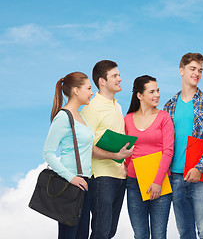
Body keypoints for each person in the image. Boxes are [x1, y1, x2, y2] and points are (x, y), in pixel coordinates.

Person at [164, 53, 203, 239]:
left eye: (200, 70)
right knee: (185, 233)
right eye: (193, 69)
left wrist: (199, 167)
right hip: (176, 177)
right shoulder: (169, 105)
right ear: (181, 70)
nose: (197, 73)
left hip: (201, 177)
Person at [80, 60, 133, 239]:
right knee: (101, 231)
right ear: (102, 81)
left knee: (109, 231)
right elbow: (85, 146)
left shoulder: (116, 105)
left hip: (119, 176)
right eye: (115, 76)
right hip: (101, 177)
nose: (120, 78)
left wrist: (123, 160)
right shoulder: (91, 108)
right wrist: (115, 155)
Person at [43, 72, 94, 239]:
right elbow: (48, 153)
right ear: (76, 91)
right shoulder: (63, 117)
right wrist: (71, 178)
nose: (91, 92)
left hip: (85, 182)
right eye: (88, 88)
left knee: (81, 235)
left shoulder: (80, 116)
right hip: (71, 184)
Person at [124, 75, 175, 239]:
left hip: (160, 182)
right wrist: (124, 166)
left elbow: (168, 151)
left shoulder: (164, 117)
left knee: (159, 235)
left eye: (158, 91)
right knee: (140, 234)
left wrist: (157, 182)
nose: (157, 95)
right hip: (134, 183)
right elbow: (124, 149)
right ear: (139, 95)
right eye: (152, 91)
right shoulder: (127, 120)